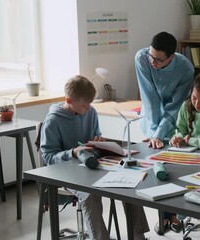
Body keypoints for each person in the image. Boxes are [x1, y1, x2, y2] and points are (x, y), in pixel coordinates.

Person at [41, 75, 149, 240]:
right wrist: (72, 153)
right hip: (67, 173)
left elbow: (95, 136)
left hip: (93, 166)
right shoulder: (53, 121)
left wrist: (99, 141)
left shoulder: (90, 112)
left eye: (90, 104)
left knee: (129, 182)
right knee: (89, 194)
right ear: (69, 100)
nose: (88, 108)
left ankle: (138, 236)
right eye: (84, 105)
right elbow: (48, 156)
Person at [135, 31, 194, 149]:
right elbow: (150, 97)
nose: (152, 62)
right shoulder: (142, 58)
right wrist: (154, 134)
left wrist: (159, 134)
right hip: (150, 120)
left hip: (173, 120)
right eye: (151, 56)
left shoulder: (186, 68)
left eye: (158, 59)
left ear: (171, 57)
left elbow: (175, 106)